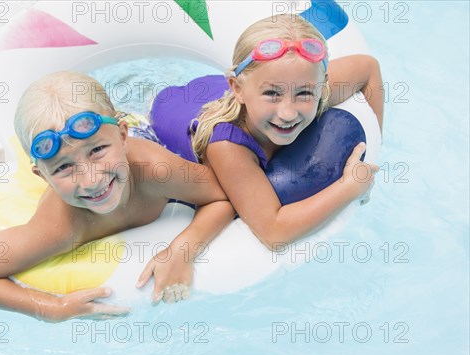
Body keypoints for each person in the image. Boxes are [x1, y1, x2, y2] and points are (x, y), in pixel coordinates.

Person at [0, 71, 235, 322]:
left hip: (142, 131)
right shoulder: (59, 227)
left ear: (122, 138)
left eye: (97, 151)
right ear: (42, 177)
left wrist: (182, 250)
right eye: (63, 167)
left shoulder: (155, 170)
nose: (91, 180)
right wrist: (50, 308)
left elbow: (222, 196)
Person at [150, 14, 383, 250]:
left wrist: (375, 149)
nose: (288, 113)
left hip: (224, 88)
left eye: (304, 94)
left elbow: (369, 69)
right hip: (170, 106)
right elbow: (274, 232)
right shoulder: (228, 146)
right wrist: (350, 187)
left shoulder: (305, 82)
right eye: (272, 94)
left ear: (321, 86)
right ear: (237, 89)